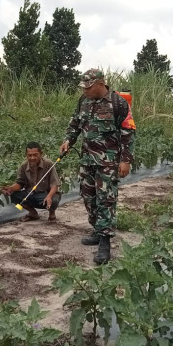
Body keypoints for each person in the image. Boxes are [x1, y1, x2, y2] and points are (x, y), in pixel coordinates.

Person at [60, 68, 136, 264]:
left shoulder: (118, 103)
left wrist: (126, 160)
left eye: (88, 87)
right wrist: (69, 140)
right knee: (88, 197)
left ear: (101, 84)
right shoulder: (83, 101)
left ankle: (105, 242)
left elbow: (128, 132)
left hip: (108, 162)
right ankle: (97, 229)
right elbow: (75, 123)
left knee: (106, 200)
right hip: (87, 160)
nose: (85, 90)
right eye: (83, 87)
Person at [1, 142, 61, 222]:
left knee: (54, 199)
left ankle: (52, 213)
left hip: (45, 194)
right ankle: (33, 213)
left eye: (35, 155)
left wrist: (49, 196)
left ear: (41, 153)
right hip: (31, 194)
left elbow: (55, 184)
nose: (32, 157)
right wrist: (11, 188)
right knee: (14, 195)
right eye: (29, 155)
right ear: (26, 155)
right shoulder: (23, 166)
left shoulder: (48, 164)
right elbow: (20, 184)